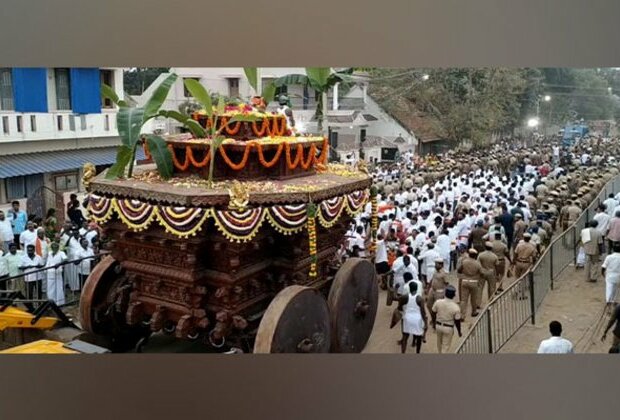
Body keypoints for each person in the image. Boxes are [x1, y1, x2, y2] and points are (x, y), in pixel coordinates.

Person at [397, 280, 427, 354]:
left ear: (409, 288)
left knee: (405, 337)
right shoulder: (420, 299)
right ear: (417, 289)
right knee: (419, 337)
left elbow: (399, 307)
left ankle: (403, 352)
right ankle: (417, 352)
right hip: (417, 319)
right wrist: (425, 322)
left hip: (407, 318)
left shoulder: (405, 297)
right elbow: (423, 312)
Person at [431, 285, 462, 354]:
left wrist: (433, 323)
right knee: (445, 347)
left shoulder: (438, 302)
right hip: (448, 328)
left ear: (445, 293)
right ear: (454, 295)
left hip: (438, 326)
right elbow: (457, 321)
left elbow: (433, 313)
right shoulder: (456, 307)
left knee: (439, 344)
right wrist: (459, 331)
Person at [457, 248, 483, 319]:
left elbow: (459, 270)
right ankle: (473, 311)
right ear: (475, 256)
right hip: (474, 282)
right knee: (473, 299)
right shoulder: (477, 263)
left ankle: (462, 315)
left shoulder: (464, 262)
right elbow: (481, 273)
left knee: (463, 300)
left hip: (464, 281)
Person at [602, 244, 620, 309]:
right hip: (618, 276)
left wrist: (603, 274)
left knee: (609, 288)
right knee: (615, 289)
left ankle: (608, 302)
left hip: (609, 276)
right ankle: (613, 300)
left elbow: (603, 267)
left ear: (613, 249)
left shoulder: (609, 257)